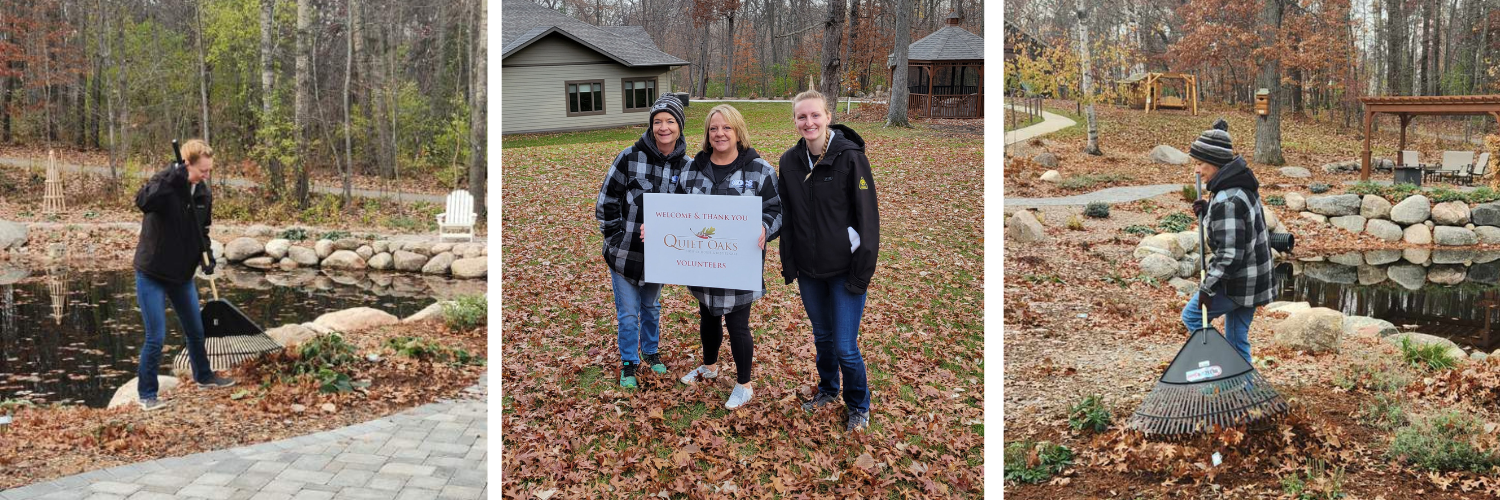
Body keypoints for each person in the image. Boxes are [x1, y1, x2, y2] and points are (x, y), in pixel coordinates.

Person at [776, 90, 879, 432]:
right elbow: (787, 216)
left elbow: (868, 220)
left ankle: (858, 404)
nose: (809, 122)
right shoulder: (789, 162)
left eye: (815, 115)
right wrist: (790, 264)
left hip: (845, 271)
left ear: (828, 116)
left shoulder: (850, 158)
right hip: (810, 271)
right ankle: (828, 390)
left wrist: (861, 273)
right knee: (822, 337)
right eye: (802, 117)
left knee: (845, 347)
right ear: (795, 121)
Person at [674, 104, 782, 410]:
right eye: (713, 128)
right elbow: (676, 210)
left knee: (737, 324)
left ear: (738, 131)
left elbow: (777, 210)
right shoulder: (693, 169)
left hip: (739, 263)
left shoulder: (759, 170)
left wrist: (764, 226)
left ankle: (744, 384)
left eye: (726, 128)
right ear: (707, 134)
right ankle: (709, 366)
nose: (719, 134)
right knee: (707, 314)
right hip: (702, 260)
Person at [596, 95, 690, 388]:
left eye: (670, 121)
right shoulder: (629, 157)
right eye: (658, 121)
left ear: (680, 126)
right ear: (651, 125)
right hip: (625, 255)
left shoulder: (688, 166)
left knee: (651, 307)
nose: (663, 127)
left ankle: (650, 352)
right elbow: (607, 200)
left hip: (660, 256)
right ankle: (628, 362)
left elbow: (692, 211)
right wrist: (615, 238)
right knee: (627, 314)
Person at [133, 139, 235, 411]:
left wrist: (207, 255)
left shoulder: (202, 193)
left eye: (209, 170)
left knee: (196, 329)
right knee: (156, 336)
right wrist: (172, 177)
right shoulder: (165, 184)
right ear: (186, 164)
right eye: (203, 170)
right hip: (152, 271)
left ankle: (204, 376)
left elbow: (201, 230)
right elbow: (143, 201)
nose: (207, 176)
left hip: (181, 273)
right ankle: (147, 395)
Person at [1182, 118, 1274, 363]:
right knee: (1237, 336)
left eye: (1200, 163)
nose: (1196, 170)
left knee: (1192, 317)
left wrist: (1207, 287)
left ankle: (1222, 370)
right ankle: (1244, 389)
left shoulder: (1227, 200)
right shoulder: (1240, 183)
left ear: (1216, 163)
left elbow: (1230, 255)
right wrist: (1209, 207)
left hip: (1240, 282)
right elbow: (1237, 229)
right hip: (1256, 279)